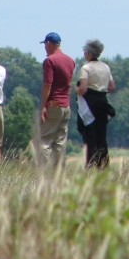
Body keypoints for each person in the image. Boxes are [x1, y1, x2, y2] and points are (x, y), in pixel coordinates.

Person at [35, 32, 75, 167]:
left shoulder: (50, 61)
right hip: (65, 105)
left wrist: (43, 107)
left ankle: (45, 171)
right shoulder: (70, 60)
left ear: (48, 44)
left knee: (44, 140)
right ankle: (59, 172)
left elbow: (48, 84)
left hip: (53, 104)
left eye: (45, 45)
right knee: (60, 142)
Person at [75, 39, 116, 168]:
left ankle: (91, 166)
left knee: (90, 137)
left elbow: (83, 89)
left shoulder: (85, 68)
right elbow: (111, 87)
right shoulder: (106, 67)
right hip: (102, 105)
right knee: (101, 137)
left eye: (84, 50)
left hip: (89, 106)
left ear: (88, 53)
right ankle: (103, 166)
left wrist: (76, 89)